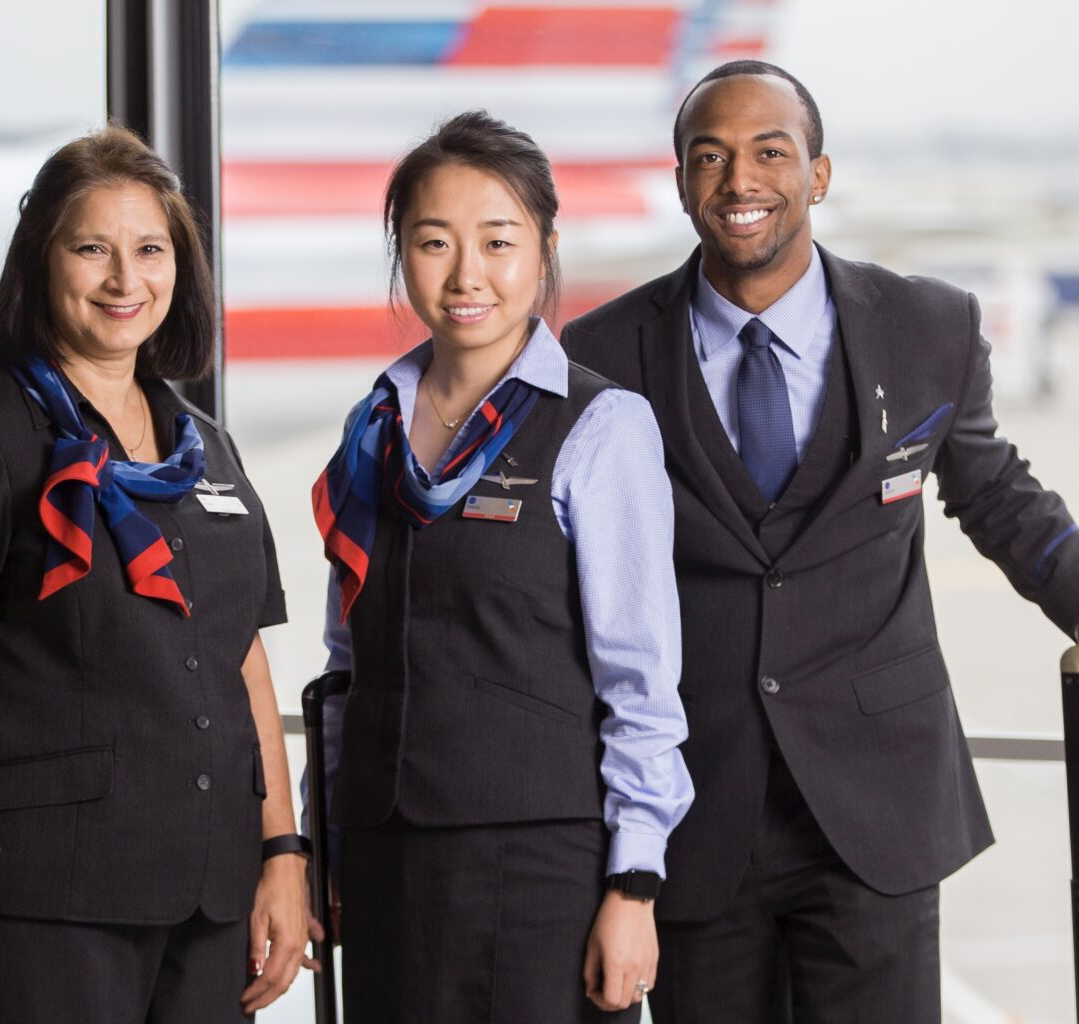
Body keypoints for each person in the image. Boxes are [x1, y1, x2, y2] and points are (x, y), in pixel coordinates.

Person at [560, 61, 1079, 1023]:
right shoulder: (600, 355)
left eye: (771, 151)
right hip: (693, 803)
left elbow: (994, 489)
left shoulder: (926, 325)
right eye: (709, 156)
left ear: (820, 174)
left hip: (873, 802)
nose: (740, 180)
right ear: (681, 181)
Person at [0, 126, 311, 1024]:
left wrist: (282, 855)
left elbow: (243, 666)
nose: (125, 279)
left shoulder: (206, 449)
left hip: (207, 896)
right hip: (45, 897)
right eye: (92, 249)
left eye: (150, 250)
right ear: (42, 261)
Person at [311, 110, 694, 1023]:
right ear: (400, 252)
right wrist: (326, 838)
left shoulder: (601, 427)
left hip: (538, 870)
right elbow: (346, 663)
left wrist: (634, 887)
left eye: (498, 240)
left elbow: (642, 681)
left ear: (546, 248)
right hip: (383, 857)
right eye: (433, 242)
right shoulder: (373, 428)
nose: (466, 274)